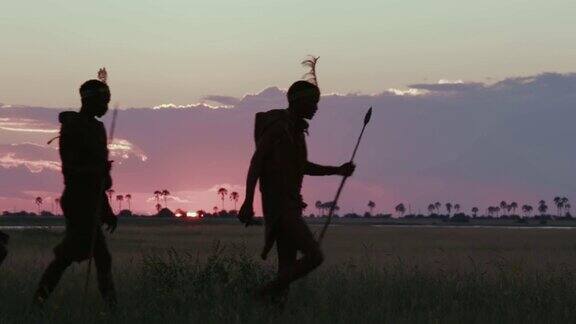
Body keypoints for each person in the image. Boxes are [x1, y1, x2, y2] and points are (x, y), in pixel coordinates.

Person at [238, 79, 355, 301]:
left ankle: (276, 310)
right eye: (312, 102)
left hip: (291, 202)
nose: (316, 108)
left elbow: (303, 167)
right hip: (281, 206)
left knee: (287, 264)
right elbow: (256, 163)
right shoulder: (278, 127)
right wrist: (248, 201)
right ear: (299, 102)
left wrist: (337, 170)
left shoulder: (297, 131)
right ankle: (260, 294)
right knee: (314, 257)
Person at [34, 79, 118, 308]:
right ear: (89, 101)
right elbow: (70, 168)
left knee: (98, 257)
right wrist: (97, 170)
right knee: (71, 256)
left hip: (92, 200)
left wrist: (106, 210)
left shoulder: (98, 129)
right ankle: (38, 301)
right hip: (77, 200)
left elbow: (100, 180)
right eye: (103, 100)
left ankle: (111, 308)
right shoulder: (73, 127)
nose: (106, 106)